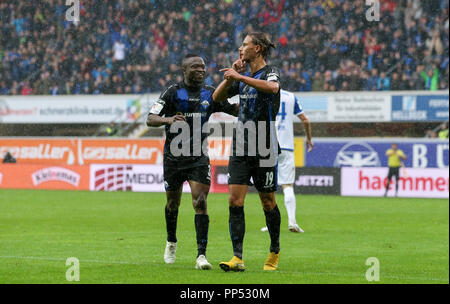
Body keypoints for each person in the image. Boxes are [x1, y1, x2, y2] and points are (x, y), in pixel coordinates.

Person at [146, 54, 238, 270]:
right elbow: (150, 118)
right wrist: (168, 119)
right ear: (184, 70)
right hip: (173, 158)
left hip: (198, 157)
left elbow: (232, 109)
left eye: (203, 66)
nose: (201, 70)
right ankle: (171, 241)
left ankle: (201, 256)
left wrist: (250, 103)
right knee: (172, 203)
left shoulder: (210, 92)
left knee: (200, 202)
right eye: (195, 66)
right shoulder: (172, 92)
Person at [213, 32, 282, 271]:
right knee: (234, 200)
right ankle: (237, 257)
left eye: (245, 45)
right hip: (241, 146)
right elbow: (217, 96)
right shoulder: (241, 78)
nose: (241, 49)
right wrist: (232, 78)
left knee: (268, 202)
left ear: (258, 48)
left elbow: (272, 88)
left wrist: (240, 76)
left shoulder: (270, 71)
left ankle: (274, 250)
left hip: (264, 146)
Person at [261, 89, 313, 234]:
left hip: (268, 145)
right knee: (287, 185)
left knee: (268, 186)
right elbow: (305, 120)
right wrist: (308, 138)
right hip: (287, 147)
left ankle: (270, 223)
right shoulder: (291, 97)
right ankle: (292, 222)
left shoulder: (266, 93)